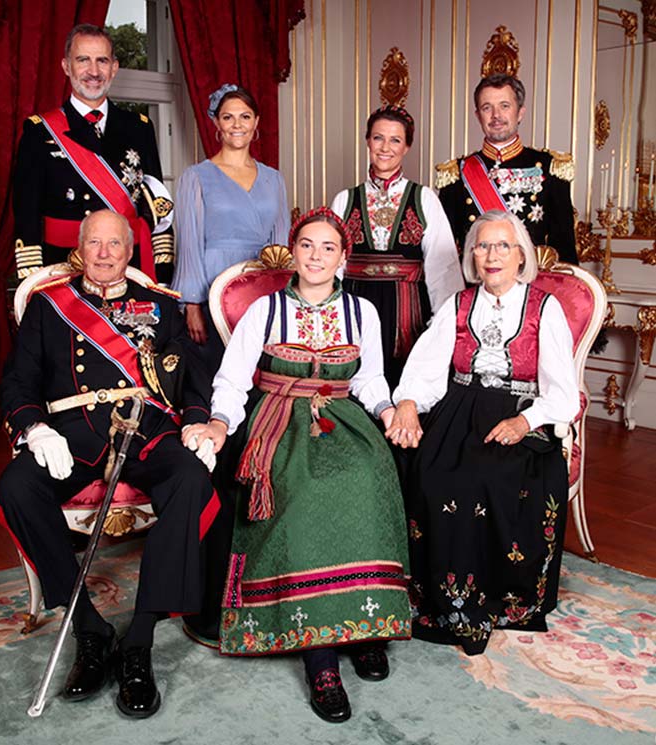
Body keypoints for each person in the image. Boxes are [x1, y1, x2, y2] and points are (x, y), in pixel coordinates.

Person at [183, 208, 412, 723]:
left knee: (369, 476)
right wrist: (220, 423)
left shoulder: (362, 313)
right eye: (307, 245)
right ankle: (321, 658)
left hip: (343, 418)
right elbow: (233, 379)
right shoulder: (265, 310)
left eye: (328, 247)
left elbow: (371, 380)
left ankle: (365, 625)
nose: (316, 256)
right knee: (305, 492)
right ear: (294, 251)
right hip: (277, 423)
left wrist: (389, 410)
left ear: (343, 257)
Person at [0, 210, 219, 719]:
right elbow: (17, 381)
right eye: (93, 243)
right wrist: (34, 427)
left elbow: (193, 377)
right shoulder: (50, 307)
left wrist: (199, 422)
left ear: (129, 249)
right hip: (70, 439)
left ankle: (139, 638)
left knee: (190, 478)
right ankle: (88, 626)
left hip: (145, 431)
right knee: (15, 487)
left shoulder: (160, 307)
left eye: (114, 243)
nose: (103, 253)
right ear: (80, 247)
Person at [387, 209, 578, 655]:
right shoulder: (458, 304)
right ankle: (440, 596)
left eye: (502, 246)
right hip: (458, 409)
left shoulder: (544, 308)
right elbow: (426, 372)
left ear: (520, 256)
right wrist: (410, 404)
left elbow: (564, 394)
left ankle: (494, 597)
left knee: (488, 482)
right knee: (432, 475)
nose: (492, 255)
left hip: (518, 412)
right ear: (472, 254)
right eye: (483, 245)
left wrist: (525, 421)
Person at [13, 24, 174, 283]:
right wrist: (33, 280)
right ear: (66, 66)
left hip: (129, 267)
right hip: (65, 268)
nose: (94, 71)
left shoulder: (139, 128)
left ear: (114, 67)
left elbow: (156, 205)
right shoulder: (39, 131)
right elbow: (26, 215)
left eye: (102, 61)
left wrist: (162, 271)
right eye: (83, 60)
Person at [331, 105, 463, 387]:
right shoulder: (344, 199)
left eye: (395, 140)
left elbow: (443, 270)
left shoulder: (425, 198)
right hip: (357, 303)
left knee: (403, 387)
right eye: (378, 138)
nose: (385, 147)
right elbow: (333, 268)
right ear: (367, 141)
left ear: (407, 147)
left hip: (408, 310)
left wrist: (442, 326)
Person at [171, 83, 289, 372]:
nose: (237, 124)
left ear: (256, 122)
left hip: (264, 291)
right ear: (216, 123)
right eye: (228, 117)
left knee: (265, 375)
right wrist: (193, 305)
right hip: (214, 291)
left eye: (245, 116)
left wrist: (287, 299)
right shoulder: (196, 177)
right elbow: (189, 246)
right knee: (217, 372)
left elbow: (282, 245)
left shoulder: (274, 179)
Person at [436, 74, 578, 265]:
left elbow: (563, 246)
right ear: (478, 115)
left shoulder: (550, 167)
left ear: (520, 112)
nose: (496, 115)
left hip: (531, 285)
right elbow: (444, 253)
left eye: (504, 106)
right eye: (487, 108)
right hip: (475, 286)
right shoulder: (456, 173)